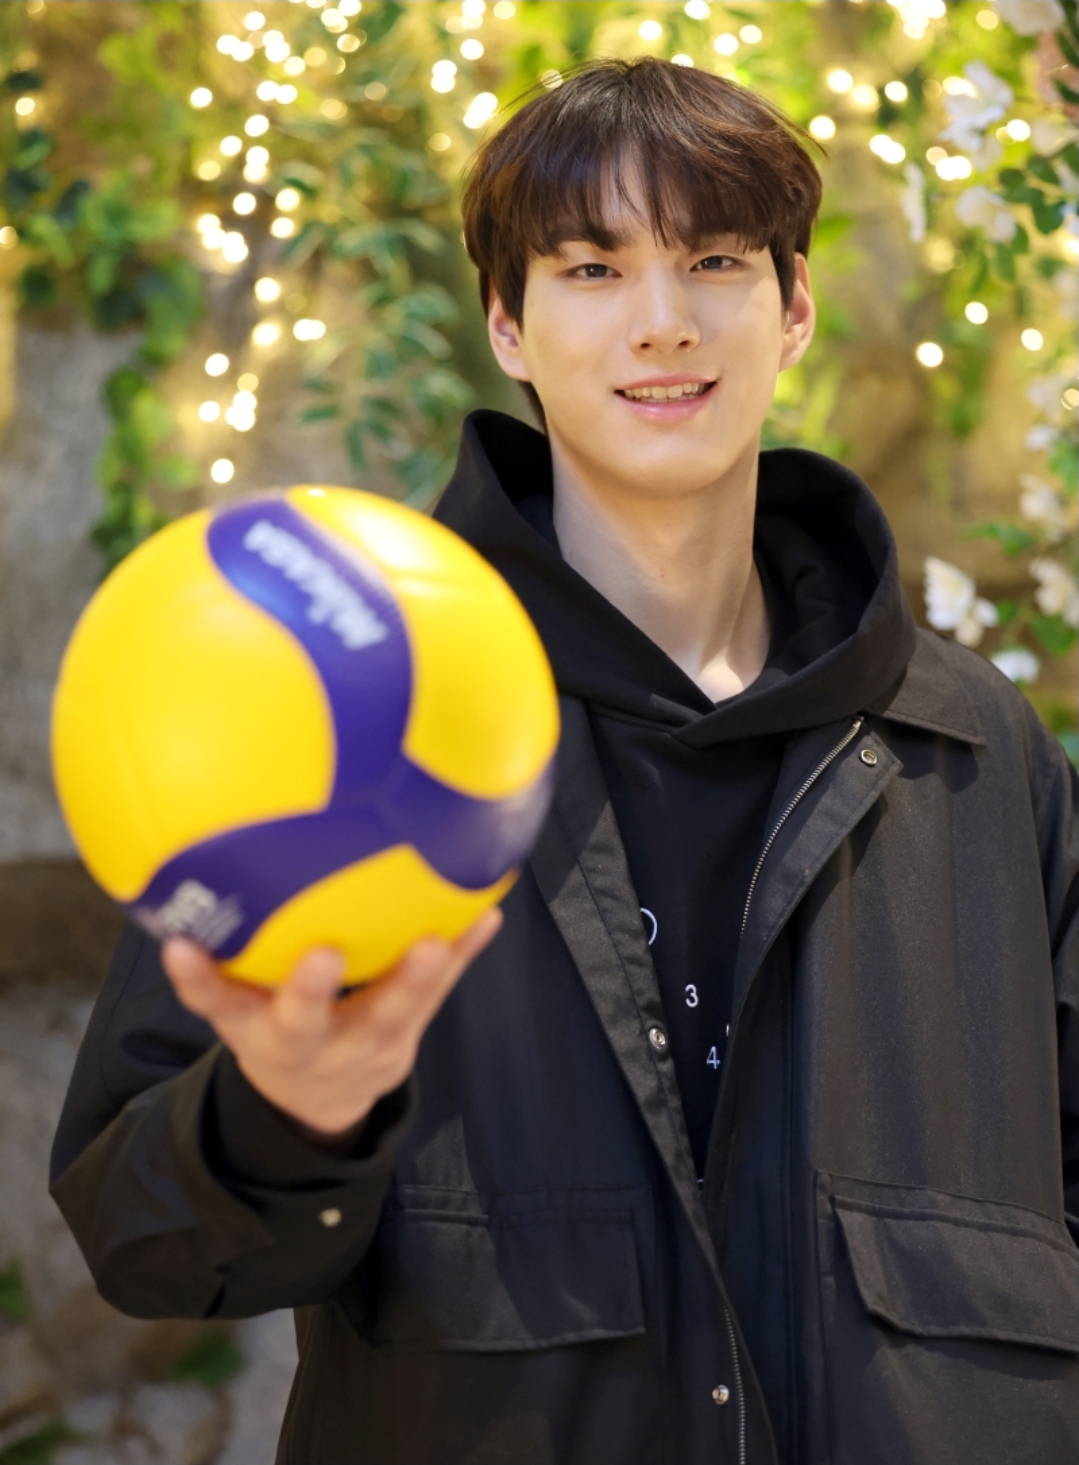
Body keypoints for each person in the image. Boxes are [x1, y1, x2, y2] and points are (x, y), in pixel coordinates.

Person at [51, 57, 1079, 1465]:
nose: (663, 320)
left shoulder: (974, 749)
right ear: (509, 325)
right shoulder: (328, 714)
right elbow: (140, 1238)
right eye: (593, 269)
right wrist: (281, 1113)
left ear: (792, 308)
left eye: (715, 260)